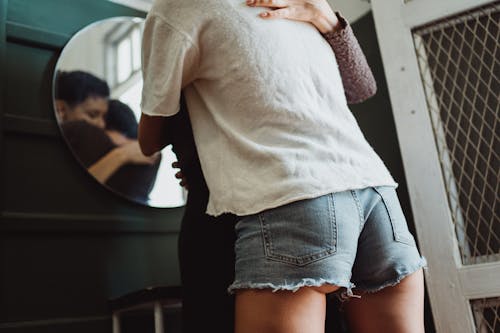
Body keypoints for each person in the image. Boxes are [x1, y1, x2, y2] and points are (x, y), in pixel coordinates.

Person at [139, 1, 427, 332]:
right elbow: (356, 89)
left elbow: (150, 138)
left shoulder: (176, 9)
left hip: (293, 194)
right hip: (375, 192)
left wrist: (327, 18)